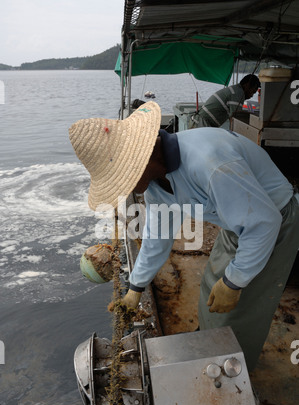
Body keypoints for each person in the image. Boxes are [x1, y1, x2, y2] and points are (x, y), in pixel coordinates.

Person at [69, 101, 299, 372]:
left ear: (145, 155)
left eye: (125, 176)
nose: (126, 187)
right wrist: (136, 288)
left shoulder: (211, 165)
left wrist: (235, 282)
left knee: (242, 308)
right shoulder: (156, 180)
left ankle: (234, 371)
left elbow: (264, 223)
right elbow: (158, 236)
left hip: (275, 222)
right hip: (237, 223)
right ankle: (210, 336)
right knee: (211, 285)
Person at [191, 74, 260, 128]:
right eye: (253, 92)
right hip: (202, 123)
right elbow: (235, 118)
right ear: (247, 85)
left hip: (202, 122)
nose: (252, 96)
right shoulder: (238, 93)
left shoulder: (235, 90)